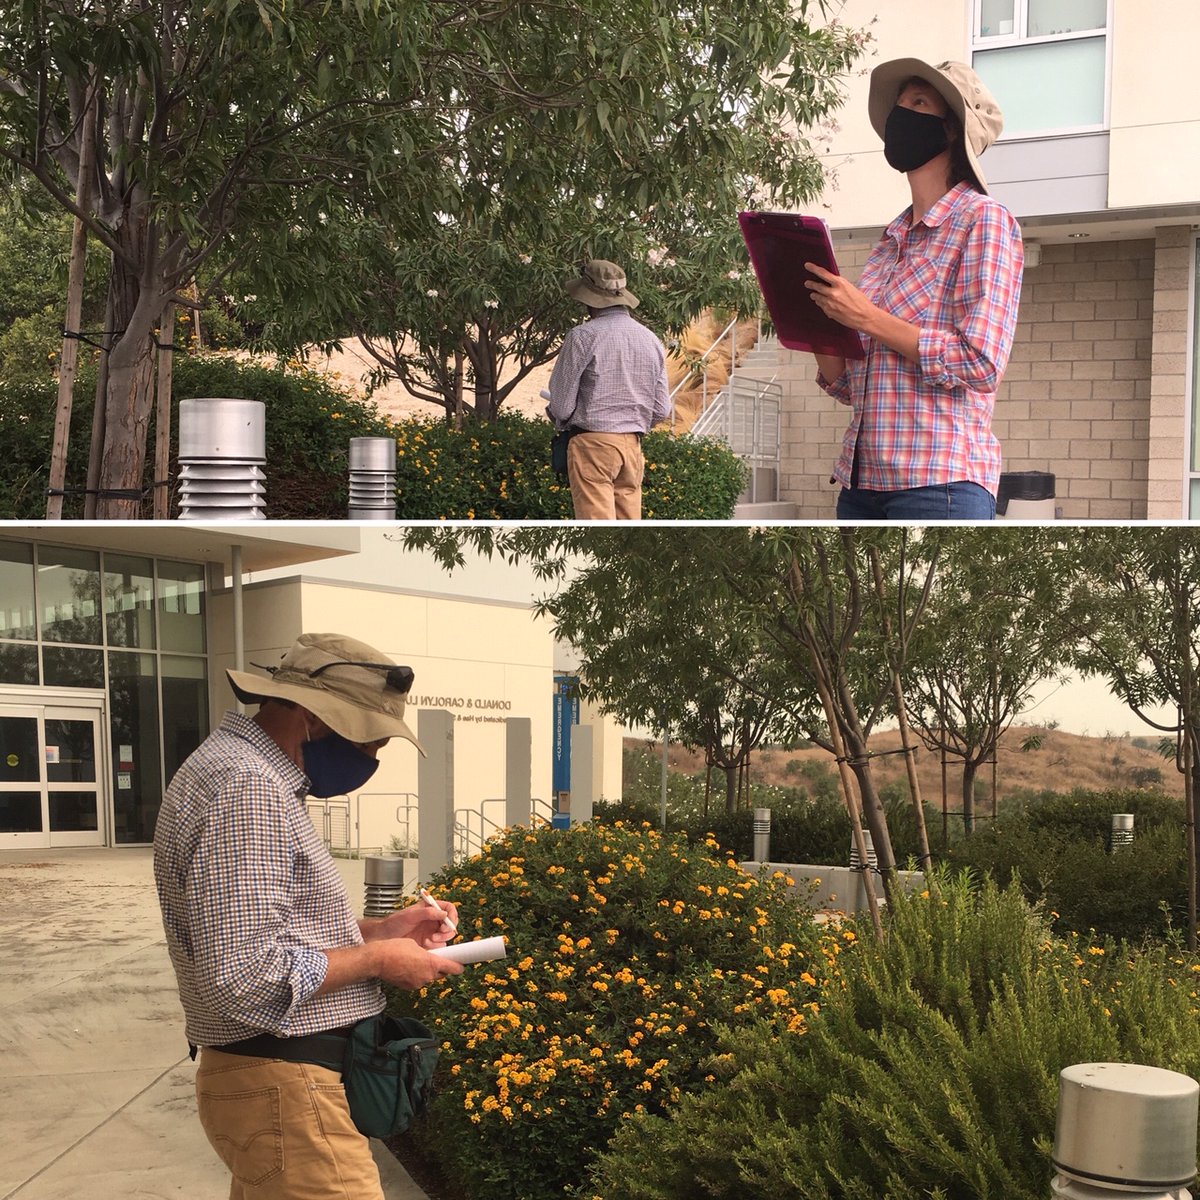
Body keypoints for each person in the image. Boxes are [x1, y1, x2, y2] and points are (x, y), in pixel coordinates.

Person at [153, 632, 464, 1200]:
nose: (371, 759)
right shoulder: (249, 787)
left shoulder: (243, 773)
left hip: (275, 1088)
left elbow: (272, 933)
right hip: (286, 1088)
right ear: (314, 719)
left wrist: (380, 931)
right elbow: (244, 976)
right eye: (370, 742)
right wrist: (377, 959)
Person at [804, 58, 1024, 521]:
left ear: (950, 131)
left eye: (919, 102)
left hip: (939, 483)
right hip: (860, 483)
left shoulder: (984, 220)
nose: (900, 114)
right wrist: (814, 321)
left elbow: (981, 362)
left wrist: (865, 316)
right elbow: (853, 385)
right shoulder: (892, 239)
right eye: (899, 103)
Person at [546, 258, 672, 520]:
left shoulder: (582, 336)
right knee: (628, 533)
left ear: (588, 298)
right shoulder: (650, 339)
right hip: (632, 446)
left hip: (592, 443)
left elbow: (561, 405)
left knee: (598, 528)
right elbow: (662, 409)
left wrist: (560, 418)